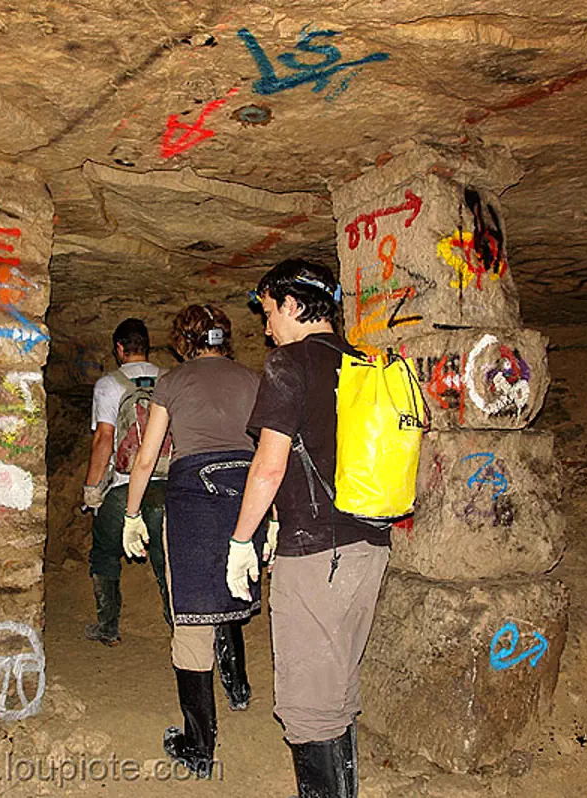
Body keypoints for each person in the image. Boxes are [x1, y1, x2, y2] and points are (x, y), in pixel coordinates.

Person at [225, 260, 390, 798]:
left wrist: (241, 539)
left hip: (318, 554)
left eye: (270, 312)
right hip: (370, 546)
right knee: (337, 687)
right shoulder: (365, 363)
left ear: (294, 307)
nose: (267, 327)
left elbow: (269, 464)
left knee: (307, 703)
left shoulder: (288, 363)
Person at [123, 304, 267, 778]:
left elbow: (147, 458)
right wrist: (278, 516)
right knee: (232, 591)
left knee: (192, 617)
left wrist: (131, 513)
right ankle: (240, 689)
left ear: (183, 341)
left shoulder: (172, 382)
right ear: (224, 338)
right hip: (246, 496)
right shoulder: (250, 379)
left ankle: (199, 747)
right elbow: (272, 450)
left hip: (194, 498)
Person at [82, 318, 171, 646]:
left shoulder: (108, 384)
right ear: (147, 346)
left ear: (119, 348)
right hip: (166, 484)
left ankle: (108, 626)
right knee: (167, 559)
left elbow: (104, 439)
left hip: (123, 487)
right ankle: (179, 626)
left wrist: (92, 488)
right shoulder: (170, 380)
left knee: (104, 552)